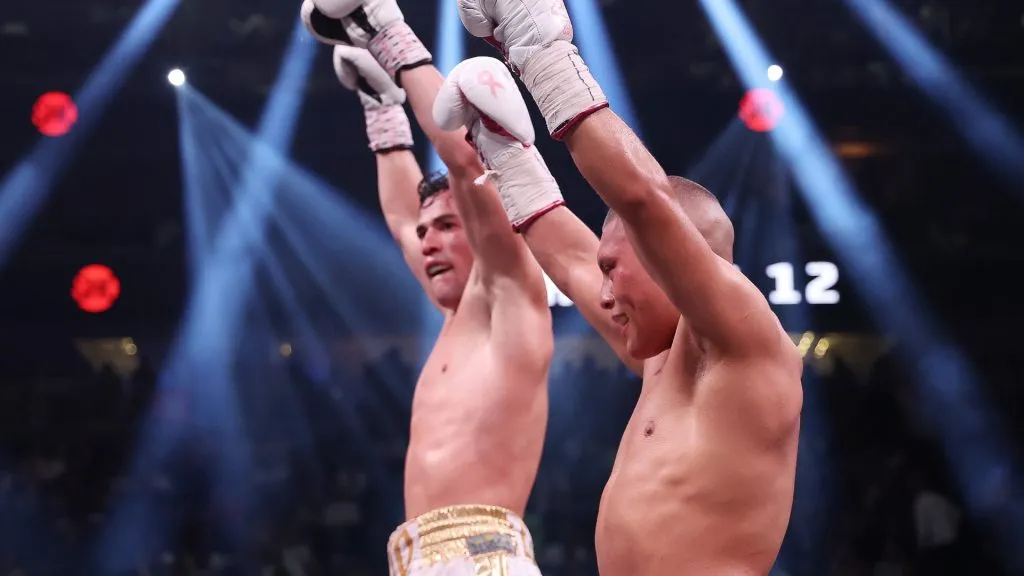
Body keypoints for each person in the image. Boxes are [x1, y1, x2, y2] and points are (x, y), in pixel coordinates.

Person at [437, 2, 805, 573]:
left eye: (615, 267)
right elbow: (565, 257)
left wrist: (540, 49)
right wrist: (500, 145)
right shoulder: (663, 365)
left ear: (668, 256)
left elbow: (641, 198)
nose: (603, 293)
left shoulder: (745, 346)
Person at [301, 2, 553, 574]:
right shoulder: (458, 320)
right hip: (420, 559)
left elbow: (465, 162)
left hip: (483, 558)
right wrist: (381, 110)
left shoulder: (511, 293)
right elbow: (398, 218)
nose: (428, 243)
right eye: (426, 232)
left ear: (484, 230)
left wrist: (389, 35)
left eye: (445, 226)